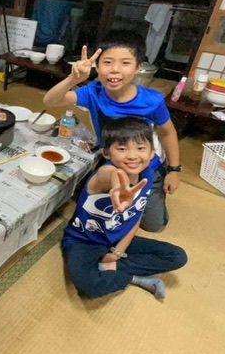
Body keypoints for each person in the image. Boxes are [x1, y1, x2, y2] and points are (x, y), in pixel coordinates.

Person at [43, 30, 181, 232]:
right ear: (97, 66)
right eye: (107, 62)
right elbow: (50, 101)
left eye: (125, 63)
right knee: (89, 205)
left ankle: (153, 188)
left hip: (144, 162)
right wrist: (72, 79)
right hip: (113, 159)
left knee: (154, 226)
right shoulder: (93, 91)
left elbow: (168, 133)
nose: (115, 70)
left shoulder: (151, 100)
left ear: (138, 67)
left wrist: (174, 170)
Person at [62, 117, 187, 301]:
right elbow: (111, 175)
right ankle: (132, 278)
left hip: (117, 239)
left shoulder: (147, 174)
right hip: (84, 240)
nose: (132, 156)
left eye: (140, 148)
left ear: (152, 153)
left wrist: (117, 253)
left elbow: (135, 216)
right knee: (88, 287)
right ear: (106, 153)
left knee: (177, 256)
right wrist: (118, 185)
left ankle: (109, 269)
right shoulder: (104, 175)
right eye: (122, 149)